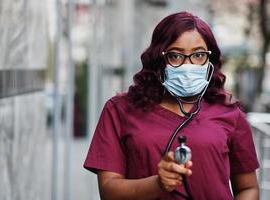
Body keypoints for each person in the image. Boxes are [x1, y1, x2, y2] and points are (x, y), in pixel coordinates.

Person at [83, 11, 259, 200]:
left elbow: (248, 188)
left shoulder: (230, 113)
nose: (188, 65)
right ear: (159, 59)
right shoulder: (119, 110)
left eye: (199, 55)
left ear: (210, 60)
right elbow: (109, 191)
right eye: (175, 56)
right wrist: (158, 184)